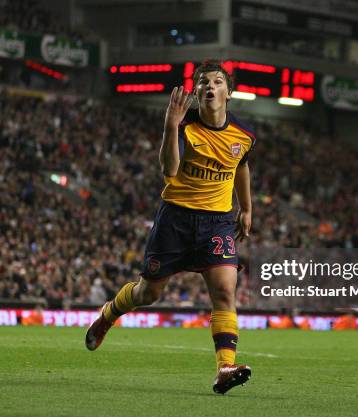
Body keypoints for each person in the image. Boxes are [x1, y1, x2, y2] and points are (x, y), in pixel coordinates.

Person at [85, 59, 256, 394]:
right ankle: (108, 314)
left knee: (224, 291)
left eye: (218, 82)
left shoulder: (244, 134)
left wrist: (246, 208)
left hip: (217, 222)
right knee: (148, 293)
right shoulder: (184, 126)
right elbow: (169, 171)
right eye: (204, 82)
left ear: (229, 92)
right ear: (196, 92)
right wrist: (170, 126)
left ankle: (225, 368)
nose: (210, 86)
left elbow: (241, 166)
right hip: (176, 219)